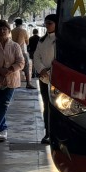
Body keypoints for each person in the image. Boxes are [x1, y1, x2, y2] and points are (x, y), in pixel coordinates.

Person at [33, 14, 57, 144]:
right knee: (47, 106)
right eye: (46, 23)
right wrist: (42, 70)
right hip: (44, 78)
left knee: (59, 108)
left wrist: (50, 71)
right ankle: (48, 133)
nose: (47, 26)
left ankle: (57, 134)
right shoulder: (42, 40)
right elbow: (36, 57)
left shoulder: (61, 40)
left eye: (50, 23)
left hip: (58, 78)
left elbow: (61, 59)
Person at [11, 18, 35, 89]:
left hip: (12, 52)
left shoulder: (11, 31)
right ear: (21, 24)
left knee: (15, 67)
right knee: (26, 66)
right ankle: (28, 83)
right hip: (21, 51)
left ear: (15, 24)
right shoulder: (24, 31)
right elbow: (27, 43)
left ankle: (16, 83)